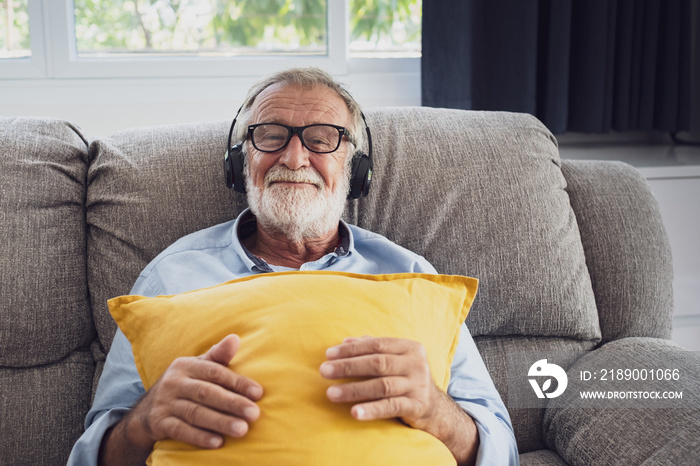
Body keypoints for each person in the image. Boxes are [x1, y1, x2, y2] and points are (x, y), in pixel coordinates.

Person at [68, 67, 518, 466]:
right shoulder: (171, 277)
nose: (294, 157)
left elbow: (502, 451)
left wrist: (435, 410)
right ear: (240, 162)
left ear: (355, 169)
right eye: (270, 135)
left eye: (322, 139)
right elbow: (91, 456)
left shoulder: (412, 277)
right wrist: (146, 420)